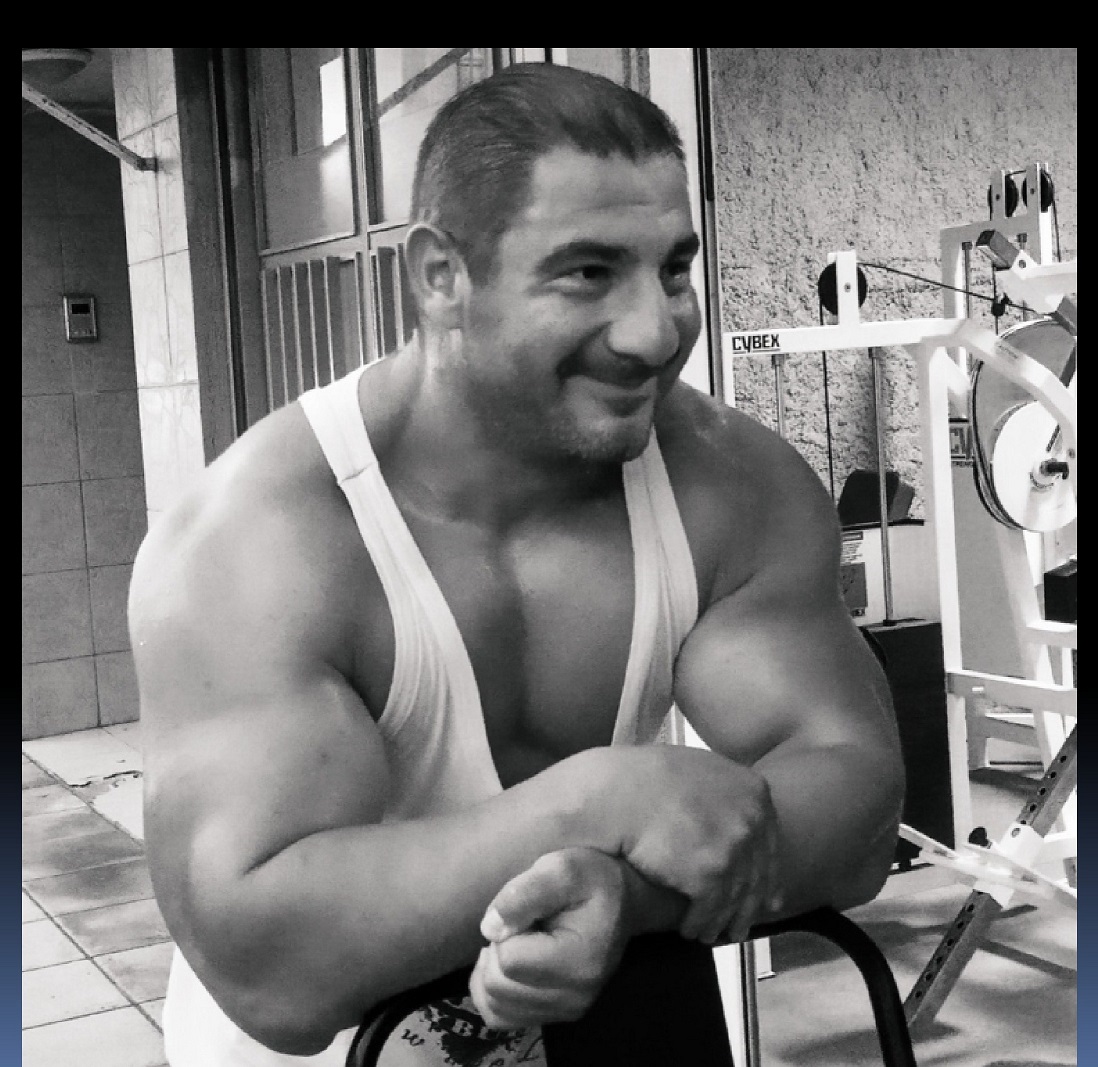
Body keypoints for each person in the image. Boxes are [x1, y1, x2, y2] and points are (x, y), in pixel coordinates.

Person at [128, 62, 905, 1067]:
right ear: (439, 276)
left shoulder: (728, 483)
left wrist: (624, 891)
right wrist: (598, 803)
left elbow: (856, 802)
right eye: (588, 272)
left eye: (673, 269)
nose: (655, 331)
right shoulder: (261, 539)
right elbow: (273, 967)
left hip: (585, 1032)